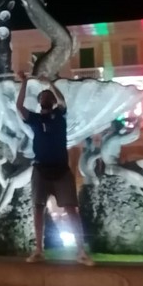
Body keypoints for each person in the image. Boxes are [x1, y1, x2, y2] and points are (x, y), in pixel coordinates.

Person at [16, 72, 94, 266]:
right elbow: (19, 106)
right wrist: (24, 82)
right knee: (37, 208)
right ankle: (39, 250)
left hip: (61, 170)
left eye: (48, 96)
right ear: (39, 101)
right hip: (40, 169)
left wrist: (50, 83)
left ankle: (81, 251)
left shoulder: (59, 115)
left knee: (71, 210)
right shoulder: (34, 119)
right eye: (43, 96)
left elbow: (62, 100)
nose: (46, 97)